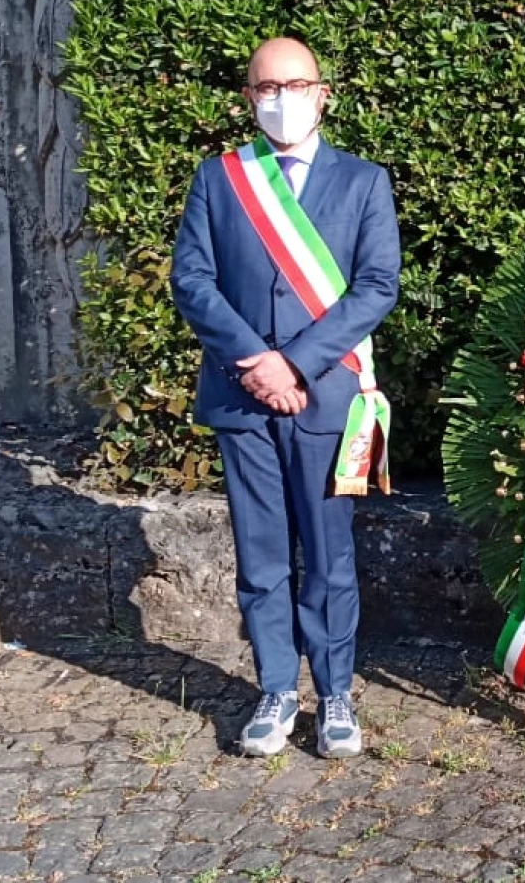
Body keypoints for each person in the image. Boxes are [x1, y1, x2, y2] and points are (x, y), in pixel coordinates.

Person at [171, 37, 401, 758]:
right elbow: (194, 280)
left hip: (325, 396)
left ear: (322, 92)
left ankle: (335, 695)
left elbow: (376, 287)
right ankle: (275, 688)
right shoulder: (220, 179)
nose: (281, 98)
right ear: (248, 99)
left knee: (329, 556)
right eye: (266, 87)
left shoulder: (364, 181)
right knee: (261, 554)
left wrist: (294, 365)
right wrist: (254, 361)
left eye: (295, 85)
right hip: (243, 397)